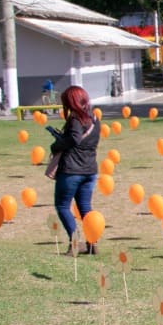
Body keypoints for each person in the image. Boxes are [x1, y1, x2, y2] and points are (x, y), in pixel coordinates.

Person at [49, 85, 101, 253]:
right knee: (85, 206)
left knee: (62, 206)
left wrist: (56, 145)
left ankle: (74, 242)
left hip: (72, 170)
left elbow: (75, 139)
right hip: (90, 169)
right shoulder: (94, 119)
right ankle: (92, 243)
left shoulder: (75, 119)